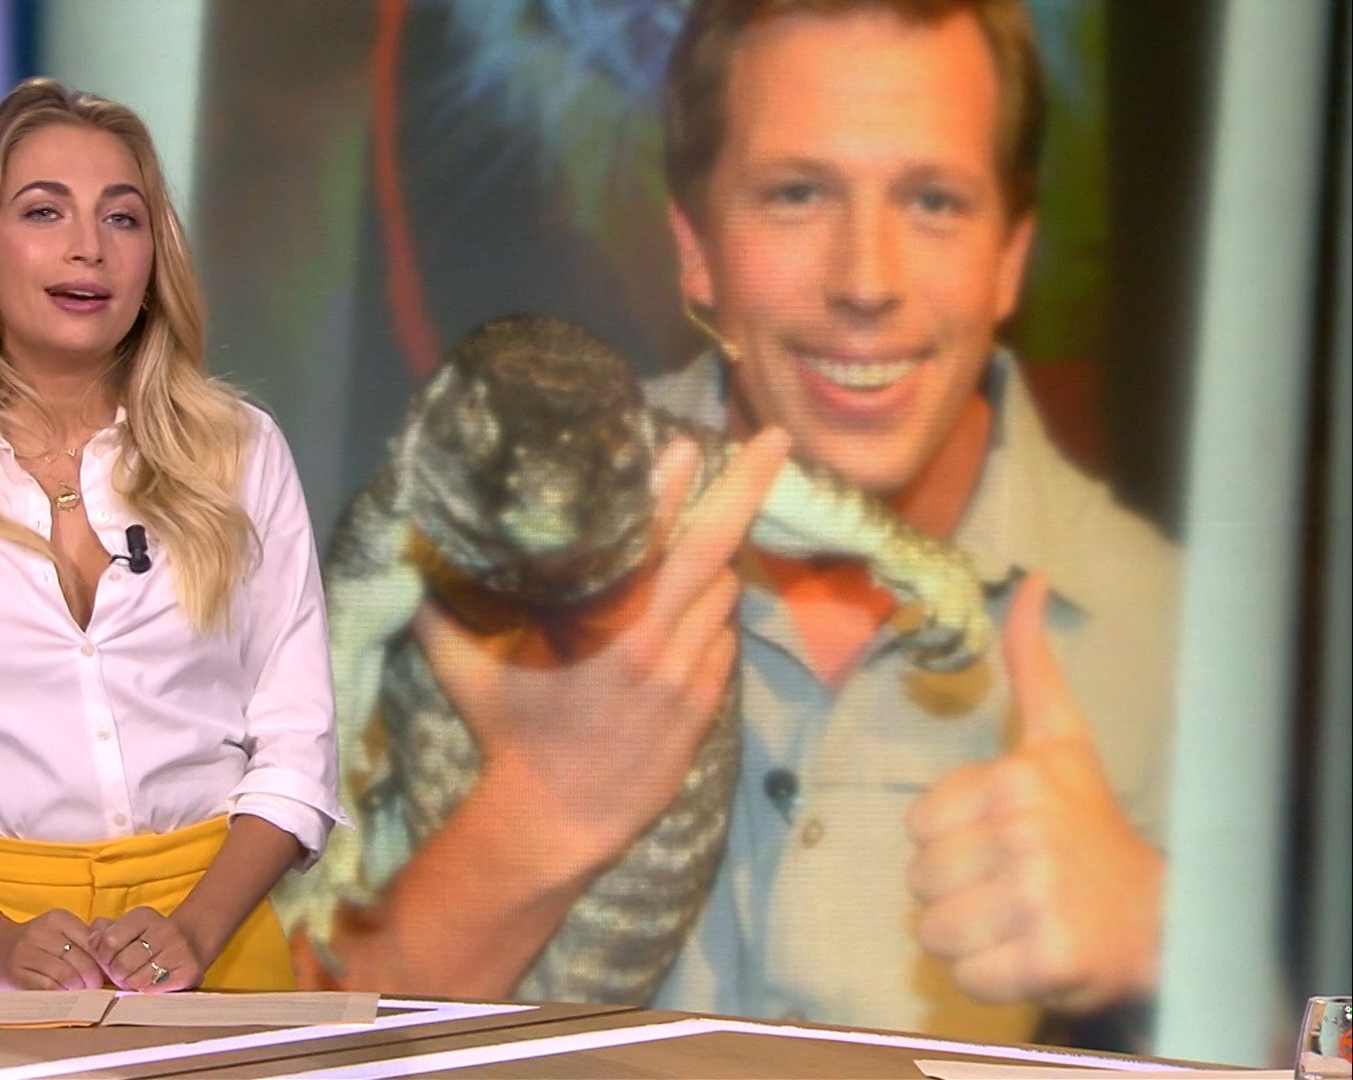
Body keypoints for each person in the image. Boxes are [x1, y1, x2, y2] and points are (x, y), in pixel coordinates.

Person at [290, 0, 1179, 1045]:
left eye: (933, 201)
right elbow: (256, 1049)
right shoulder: (476, 513)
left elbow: (1321, 1036)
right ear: (697, 247)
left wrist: (1171, 941)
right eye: (796, 194)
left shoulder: (1172, 621)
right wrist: (536, 815)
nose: (866, 282)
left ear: (1011, 255)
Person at [0, 80, 345, 994]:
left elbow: (297, 745)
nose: (89, 246)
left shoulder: (239, 453)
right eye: (44, 211)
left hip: (211, 939)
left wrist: (195, 931)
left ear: (154, 261)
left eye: (122, 218)